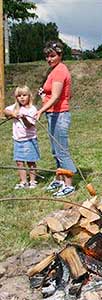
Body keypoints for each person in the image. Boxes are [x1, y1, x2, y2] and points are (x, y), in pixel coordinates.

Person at [35, 40, 77, 197]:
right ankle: (59, 179)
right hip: (52, 114)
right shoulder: (53, 70)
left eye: (52, 56)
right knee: (55, 150)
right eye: (47, 56)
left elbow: (57, 96)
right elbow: (56, 95)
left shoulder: (60, 71)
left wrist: (40, 110)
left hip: (59, 115)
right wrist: (44, 95)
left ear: (60, 55)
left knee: (61, 150)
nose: (49, 59)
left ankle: (69, 185)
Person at [4, 86, 40, 189]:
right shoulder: (15, 107)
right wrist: (12, 114)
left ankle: (33, 181)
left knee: (31, 161)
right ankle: (23, 181)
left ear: (29, 96)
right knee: (19, 161)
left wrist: (23, 118)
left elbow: (29, 125)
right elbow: (5, 110)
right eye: (19, 96)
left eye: (24, 95)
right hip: (18, 140)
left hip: (29, 139)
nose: (22, 98)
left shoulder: (32, 109)